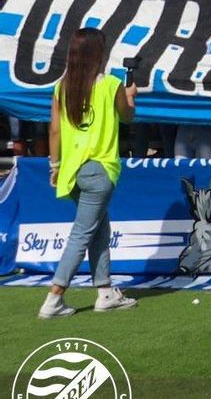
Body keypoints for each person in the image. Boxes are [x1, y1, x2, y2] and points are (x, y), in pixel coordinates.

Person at [39, 28, 138, 318]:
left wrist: (55, 166)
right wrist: (131, 97)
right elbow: (128, 116)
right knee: (83, 234)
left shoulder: (61, 86)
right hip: (100, 170)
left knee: (98, 231)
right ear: (99, 54)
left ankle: (105, 292)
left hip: (72, 170)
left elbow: (54, 130)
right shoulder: (111, 84)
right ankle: (54, 297)